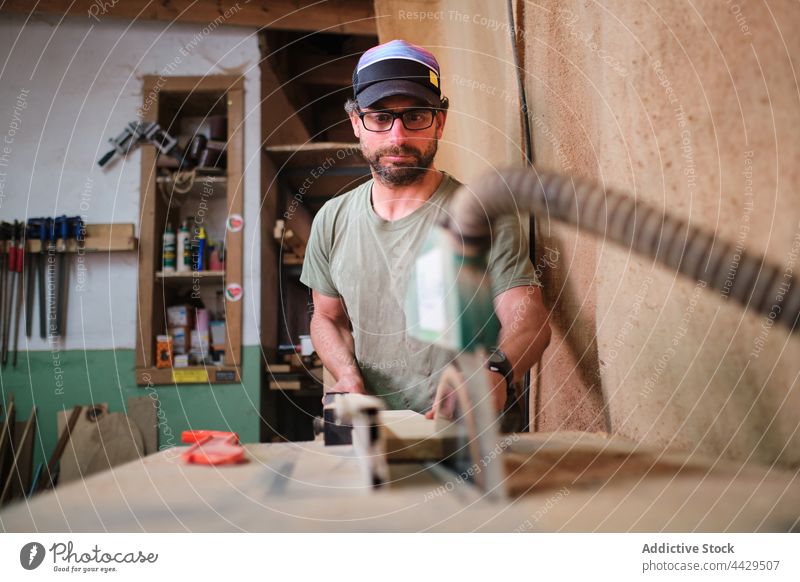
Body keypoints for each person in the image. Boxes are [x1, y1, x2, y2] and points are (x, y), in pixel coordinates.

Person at [300, 39, 550, 422]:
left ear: (440, 121)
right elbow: (327, 318)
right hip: (372, 437)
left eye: (415, 116)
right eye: (380, 118)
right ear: (356, 124)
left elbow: (528, 315)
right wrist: (346, 373)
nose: (397, 137)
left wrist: (495, 373)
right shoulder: (331, 219)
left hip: (468, 440)